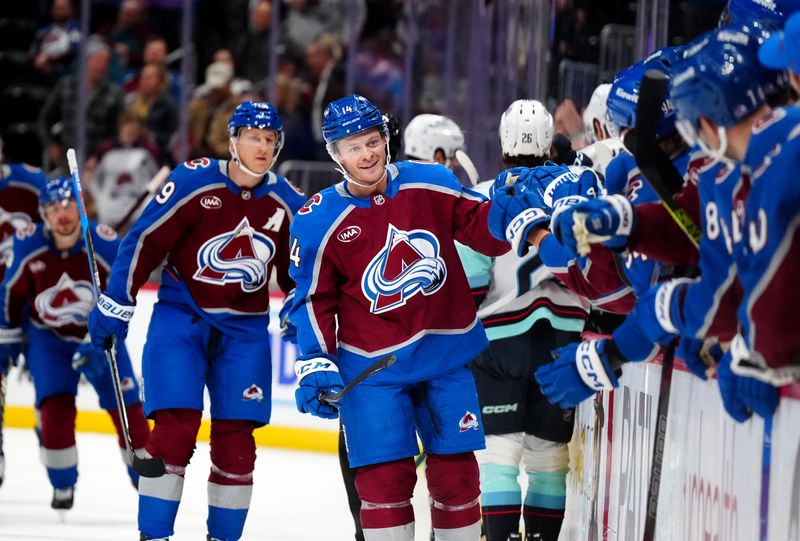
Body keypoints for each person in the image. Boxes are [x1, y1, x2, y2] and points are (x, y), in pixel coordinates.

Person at [287, 94, 509, 540]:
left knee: (458, 480)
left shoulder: (431, 182)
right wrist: (314, 359)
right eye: (352, 146)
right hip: (371, 371)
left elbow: (483, 233)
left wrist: (512, 211)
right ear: (335, 155)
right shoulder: (318, 219)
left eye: (372, 141)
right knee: (383, 486)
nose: (366, 153)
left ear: (386, 139)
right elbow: (311, 299)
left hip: (444, 356)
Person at [86, 101, 306, 541]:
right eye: (253, 137)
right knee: (174, 433)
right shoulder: (192, 179)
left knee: (237, 445)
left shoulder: (287, 202)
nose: (262, 147)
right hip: (180, 321)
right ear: (232, 140)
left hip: (244, 333)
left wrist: (307, 313)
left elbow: (300, 272)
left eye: (269, 140)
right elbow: (144, 240)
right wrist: (116, 301)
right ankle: (155, 535)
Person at [460, 100, 591, 541]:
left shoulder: (482, 192)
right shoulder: (575, 189)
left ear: (503, 142)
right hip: (564, 341)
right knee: (549, 457)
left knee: (499, 455)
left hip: (498, 343)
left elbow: (472, 280)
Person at [0, 177, 150, 510]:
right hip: (48, 338)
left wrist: (102, 336)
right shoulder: (28, 244)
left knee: (129, 410)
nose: (62, 214)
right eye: (53, 208)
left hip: (101, 337)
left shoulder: (103, 242)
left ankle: (147, 482)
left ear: (80, 208)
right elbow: (10, 293)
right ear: (43, 215)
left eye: (68, 205)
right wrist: (6, 335)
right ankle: (62, 483)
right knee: (55, 412)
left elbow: (127, 291)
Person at [0, 137, 48, 487]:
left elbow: (65, 219)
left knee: (47, 369)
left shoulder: (29, 182)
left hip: (31, 296)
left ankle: (48, 419)